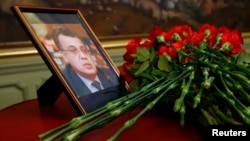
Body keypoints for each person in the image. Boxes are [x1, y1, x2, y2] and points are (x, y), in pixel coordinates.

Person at [52, 26, 120, 112]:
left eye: (84, 50)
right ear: (64, 56)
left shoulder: (110, 74)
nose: (83, 56)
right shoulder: (68, 81)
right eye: (73, 50)